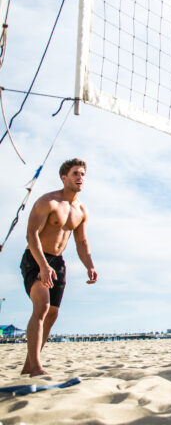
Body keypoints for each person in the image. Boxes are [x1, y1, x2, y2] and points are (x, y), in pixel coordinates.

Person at [20, 158, 97, 376]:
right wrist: (43, 265)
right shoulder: (49, 202)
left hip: (57, 261)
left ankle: (29, 365)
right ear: (64, 178)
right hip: (36, 257)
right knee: (42, 306)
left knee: (53, 313)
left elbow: (81, 242)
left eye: (82, 174)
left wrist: (89, 265)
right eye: (75, 173)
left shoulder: (81, 210)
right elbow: (31, 234)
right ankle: (36, 367)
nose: (80, 177)